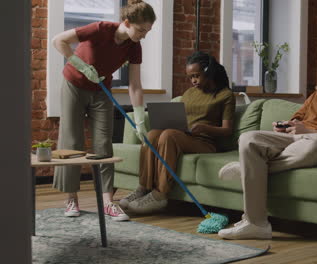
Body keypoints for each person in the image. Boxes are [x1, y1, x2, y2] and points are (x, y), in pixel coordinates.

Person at [217, 45, 317, 239]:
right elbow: (297, 119)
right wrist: (286, 125)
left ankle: (248, 170)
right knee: (248, 138)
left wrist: (309, 131)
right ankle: (256, 223)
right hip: (293, 139)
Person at [52, 0, 156, 221]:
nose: (144, 35)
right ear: (127, 22)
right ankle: (71, 198)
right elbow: (58, 41)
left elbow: (135, 84)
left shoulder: (134, 46)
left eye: (147, 31)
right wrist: (80, 65)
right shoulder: (100, 29)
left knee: (103, 144)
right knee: (72, 142)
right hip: (74, 84)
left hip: (101, 89)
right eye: (141, 29)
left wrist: (139, 119)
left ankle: (108, 203)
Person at [119, 51, 236, 214]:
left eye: (196, 75)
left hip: (206, 142)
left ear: (208, 72)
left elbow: (227, 130)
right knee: (152, 134)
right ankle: (143, 188)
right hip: (185, 136)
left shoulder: (226, 95)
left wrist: (203, 128)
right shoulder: (189, 93)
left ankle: (160, 194)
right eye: (190, 77)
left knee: (169, 135)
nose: (193, 80)